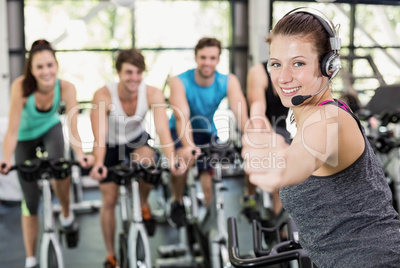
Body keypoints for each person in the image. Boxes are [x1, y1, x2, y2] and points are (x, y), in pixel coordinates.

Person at [242, 8, 400, 267]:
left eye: (298, 63)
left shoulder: (329, 118)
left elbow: (301, 159)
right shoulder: (307, 116)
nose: (283, 77)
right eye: (276, 64)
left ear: (329, 66)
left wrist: (280, 165)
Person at [89, 48, 183, 268]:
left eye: (138, 73)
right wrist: (99, 164)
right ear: (119, 73)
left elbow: (162, 130)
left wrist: (171, 159)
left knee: (149, 164)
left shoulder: (151, 93)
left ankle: (142, 204)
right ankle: (111, 255)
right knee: (109, 201)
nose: (134, 78)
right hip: (110, 146)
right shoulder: (103, 94)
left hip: (137, 141)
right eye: (129, 72)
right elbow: (99, 136)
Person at [0, 39, 90, 268]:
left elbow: (73, 127)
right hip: (23, 138)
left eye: (50, 65)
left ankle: (67, 216)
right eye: (39, 67)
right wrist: (5, 158)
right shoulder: (20, 87)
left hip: (50, 129)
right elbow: (11, 131)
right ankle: (31, 260)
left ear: (56, 65)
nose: (46, 71)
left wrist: (80, 155)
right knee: (29, 201)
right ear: (31, 69)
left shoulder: (67, 88)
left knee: (61, 167)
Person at [168, 37, 249, 227]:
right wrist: (189, 146)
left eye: (212, 58)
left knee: (210, 167)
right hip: (180, 129)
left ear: (218, 59)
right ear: (196, 57)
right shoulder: (179, 81)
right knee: (183, 160)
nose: (207, 62)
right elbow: (182, 117)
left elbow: (240, 112)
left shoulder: (227, 81)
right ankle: (177, 201)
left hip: (206, 130)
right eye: (203, 57)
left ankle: (211, 214)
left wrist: (250, 138)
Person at [242, 61, 290, 222]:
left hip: (282, 128)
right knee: (258, 154)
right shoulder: (258, 72)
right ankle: (250, 196)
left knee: (282, 184)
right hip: (259, 125)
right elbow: (258, 108)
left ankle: (279, 225)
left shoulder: (295, 72)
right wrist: (270, 138)